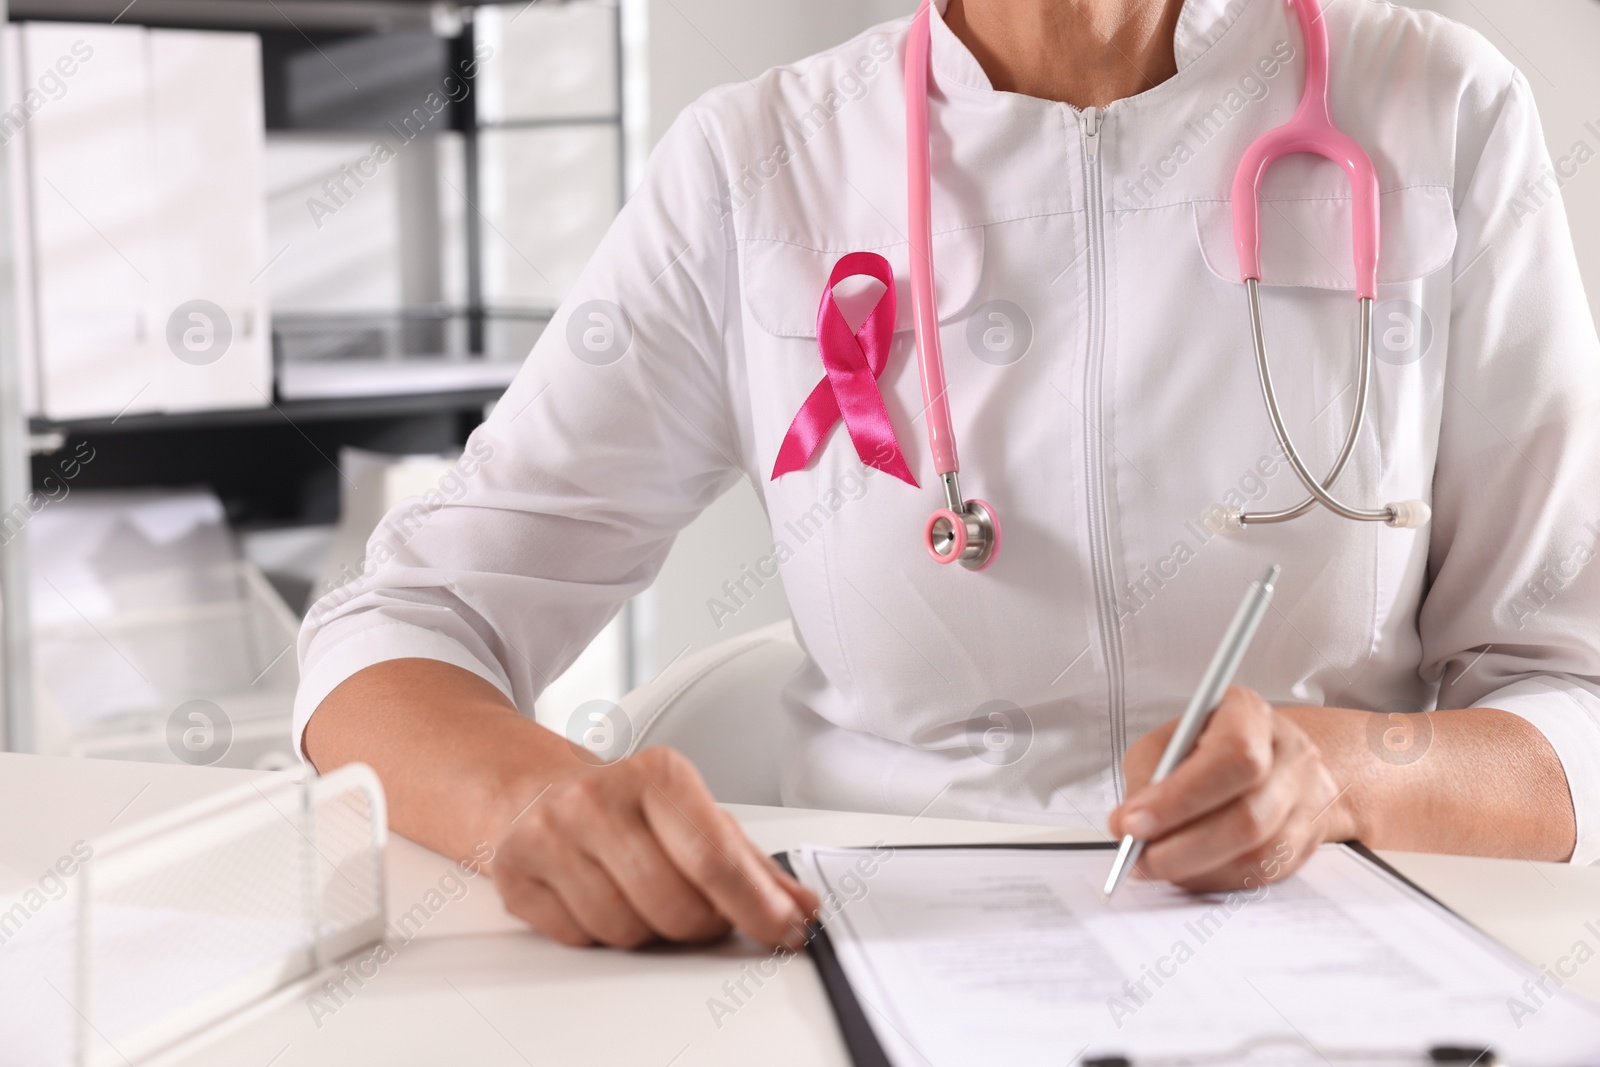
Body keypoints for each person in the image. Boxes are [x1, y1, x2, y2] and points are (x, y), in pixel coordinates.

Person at [297, 0, 1600, 951]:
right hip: (865, 956)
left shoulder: (1439, 105)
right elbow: (398, 625)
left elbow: (1574, 700)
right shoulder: (760, 162)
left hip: (1337, 958)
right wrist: (525, 799)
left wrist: (1346, 773)